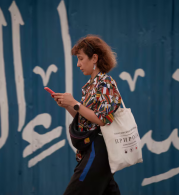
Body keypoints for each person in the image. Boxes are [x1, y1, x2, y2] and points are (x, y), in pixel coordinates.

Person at [53, 35, 121, 195]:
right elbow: (87, 120)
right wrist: (68, 105)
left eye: (81, 58)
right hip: (92, 150)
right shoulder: (91, 86)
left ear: (94, 58)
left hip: (98, 150)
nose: (78, 64)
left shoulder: (105, 83)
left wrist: (75, 103)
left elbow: (102, 120)